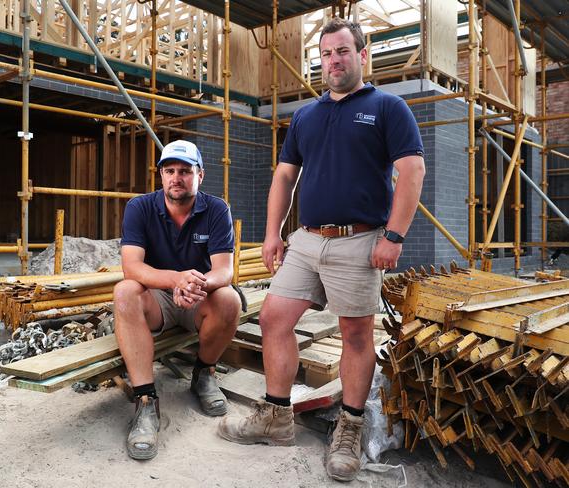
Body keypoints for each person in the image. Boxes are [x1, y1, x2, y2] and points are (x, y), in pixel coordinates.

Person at [218, 17, 425, 482]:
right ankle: (276, 417)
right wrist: (272, 233)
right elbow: (285, 176)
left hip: (360, 239)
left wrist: (393, 236)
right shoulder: (306, 116)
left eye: (343, 51)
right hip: (307, 239)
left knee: (355, 335)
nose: (333, 60)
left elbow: (411, 170)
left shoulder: (389, 108)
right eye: (326, 53)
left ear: (362, 55)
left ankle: (349, 431)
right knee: (273, 318)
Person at [114, 139, 241, 461]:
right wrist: (176, 279)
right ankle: (146, 401)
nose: (176, 177)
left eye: (185, 171)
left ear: (201, 174)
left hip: (199, 297)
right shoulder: (140, 207)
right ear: (160, 175)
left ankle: (204, 373)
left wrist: (197, 285)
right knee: (125, 291)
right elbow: (132, 266)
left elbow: (224, 271)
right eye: (169, 170)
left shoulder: (216, 208)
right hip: (159, 296)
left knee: (229, 300)